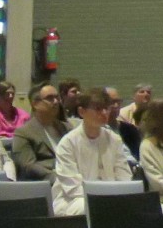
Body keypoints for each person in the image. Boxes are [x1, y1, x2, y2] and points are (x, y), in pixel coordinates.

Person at [51, 89, 132, 217]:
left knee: (158, 207)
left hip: (112, 197)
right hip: (73, 201)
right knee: (91, 207)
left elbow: (124, 177)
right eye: (98, 109)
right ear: (81, 112)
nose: (104, 113)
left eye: (107, 108)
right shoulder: (68, 143)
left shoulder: (114, 139)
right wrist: (105, 198)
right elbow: (72, 188)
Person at [9, 83, 67, 182]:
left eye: (57, 97)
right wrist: (58, 177)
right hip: (43, 186)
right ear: (35, 104)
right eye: (50, 98)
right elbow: (28, 166)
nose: (56, 101)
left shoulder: (66, 128)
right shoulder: (23, 133)